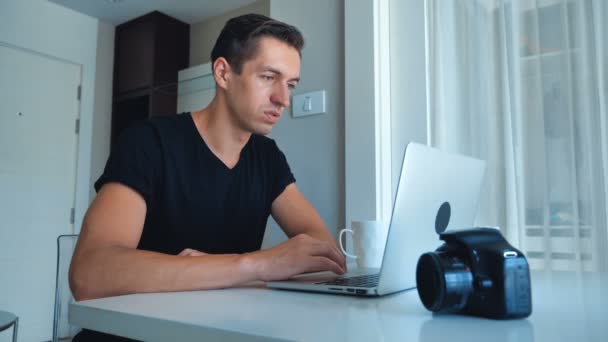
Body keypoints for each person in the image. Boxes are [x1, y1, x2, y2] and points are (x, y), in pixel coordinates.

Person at [69, 13, 346, 342]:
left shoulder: (267, 157)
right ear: (223, 73)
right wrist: (252, 266)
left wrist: (221, 267)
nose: (283, 99)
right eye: (269, 77)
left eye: (290, 84)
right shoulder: (149, 142)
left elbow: (325, 255)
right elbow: (89, 274)